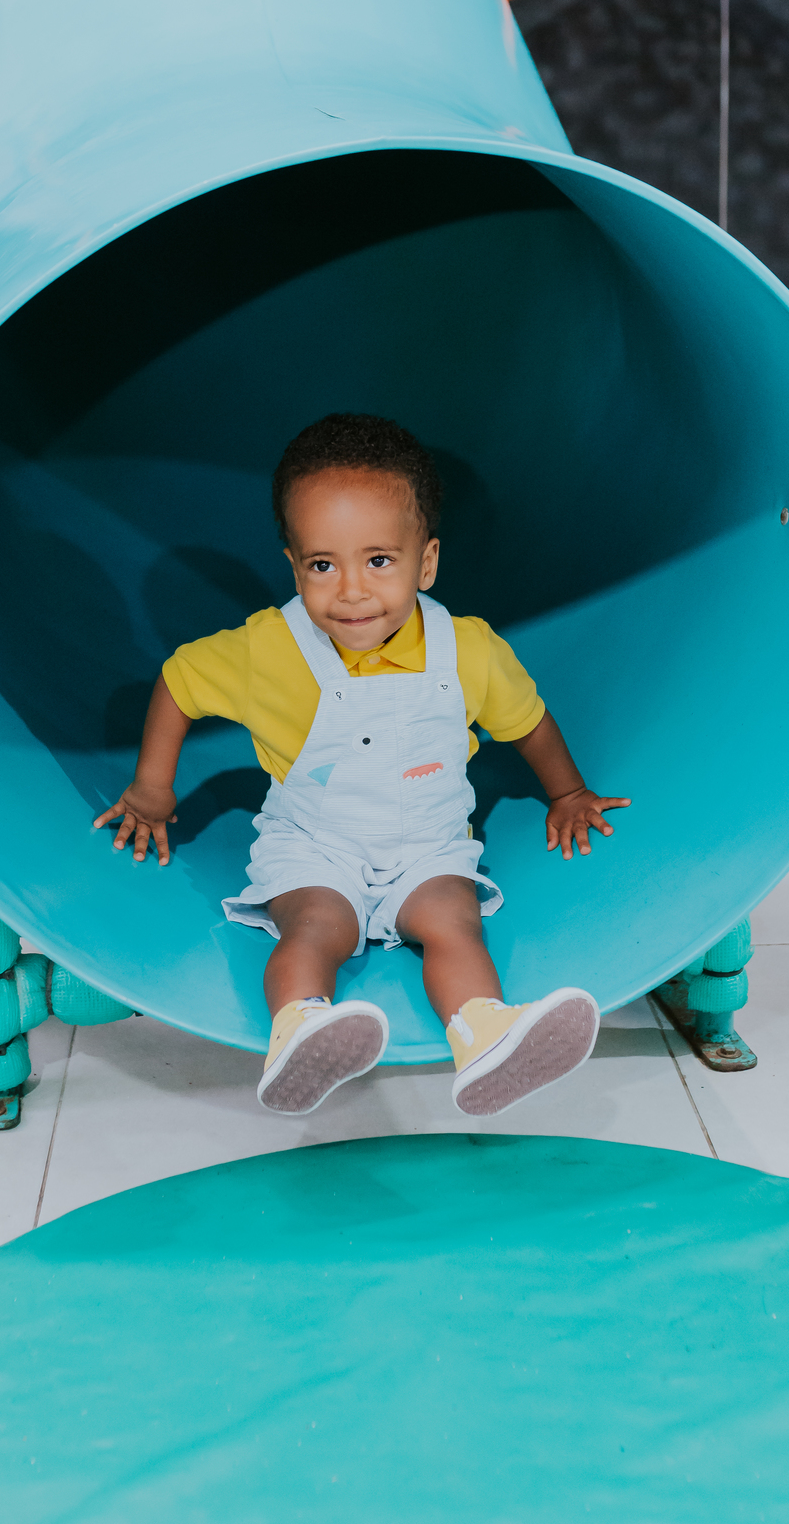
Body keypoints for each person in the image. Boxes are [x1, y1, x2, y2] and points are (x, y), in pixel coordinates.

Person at [95, 414, 630, 1117]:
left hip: (427, 845)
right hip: (317, 844)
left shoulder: (467, 649)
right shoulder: (272, 649)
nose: (350, 590)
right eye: (323, 565)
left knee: (452, 920)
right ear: (294, 566)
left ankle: (485, 1034)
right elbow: (181, 682)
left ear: (426, 562)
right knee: (315, 926)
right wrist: (150, 790)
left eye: (379, 560)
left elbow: (527, 724)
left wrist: (568, 792)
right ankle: (299, 1029)